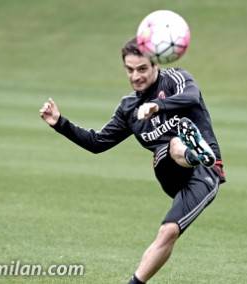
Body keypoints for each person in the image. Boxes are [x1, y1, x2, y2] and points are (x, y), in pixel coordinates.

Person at [39, 38, 226, 283]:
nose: (135, 76)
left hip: (206, 171)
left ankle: (195, 153)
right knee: (171, 146)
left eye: (142, 69)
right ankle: (191, 152)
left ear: (155, 64)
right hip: (168, 170)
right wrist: (60, 123)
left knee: (167, 232)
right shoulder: (129, 108)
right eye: (130, 70)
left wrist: (158, 105)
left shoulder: (176, 78)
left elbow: (192, 97)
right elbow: (97, 143)